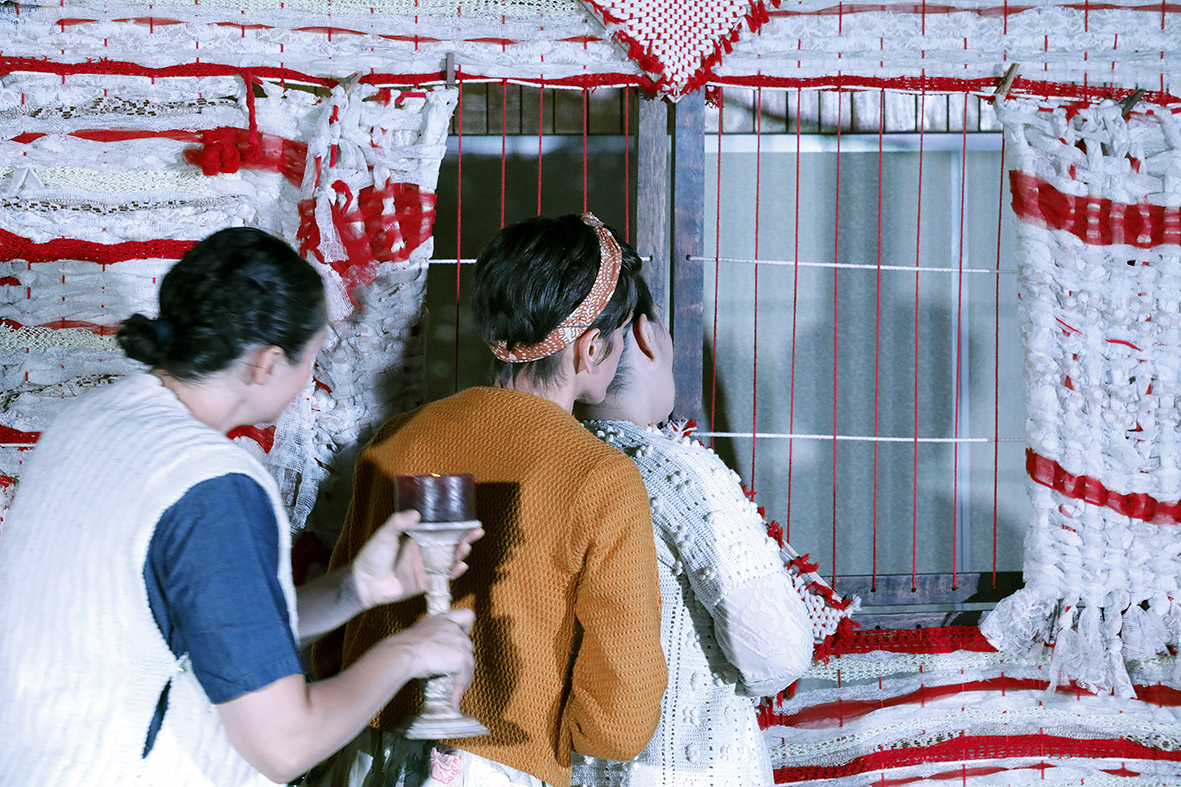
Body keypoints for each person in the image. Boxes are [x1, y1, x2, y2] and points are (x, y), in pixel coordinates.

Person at [0, 227, 477, 787]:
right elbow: (285, 744)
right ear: (264, 364)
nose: (308, 381)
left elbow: (212, 632)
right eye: (311, 359)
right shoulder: (209, 482)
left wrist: (355, 589)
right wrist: (408, 652)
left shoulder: (88, 421)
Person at [309, 213, 666, 787]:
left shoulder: (399, 438)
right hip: (501, 761)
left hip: (361, 747)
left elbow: (339, 622)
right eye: (620, 334)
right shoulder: (601, 478)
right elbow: (621, 714)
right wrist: (578, 737)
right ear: (590, 347)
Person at [570, 282, 813, 787]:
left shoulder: (549, 459)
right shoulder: (682, 473)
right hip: (688, 768)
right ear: (646, 336)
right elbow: (777, 654)